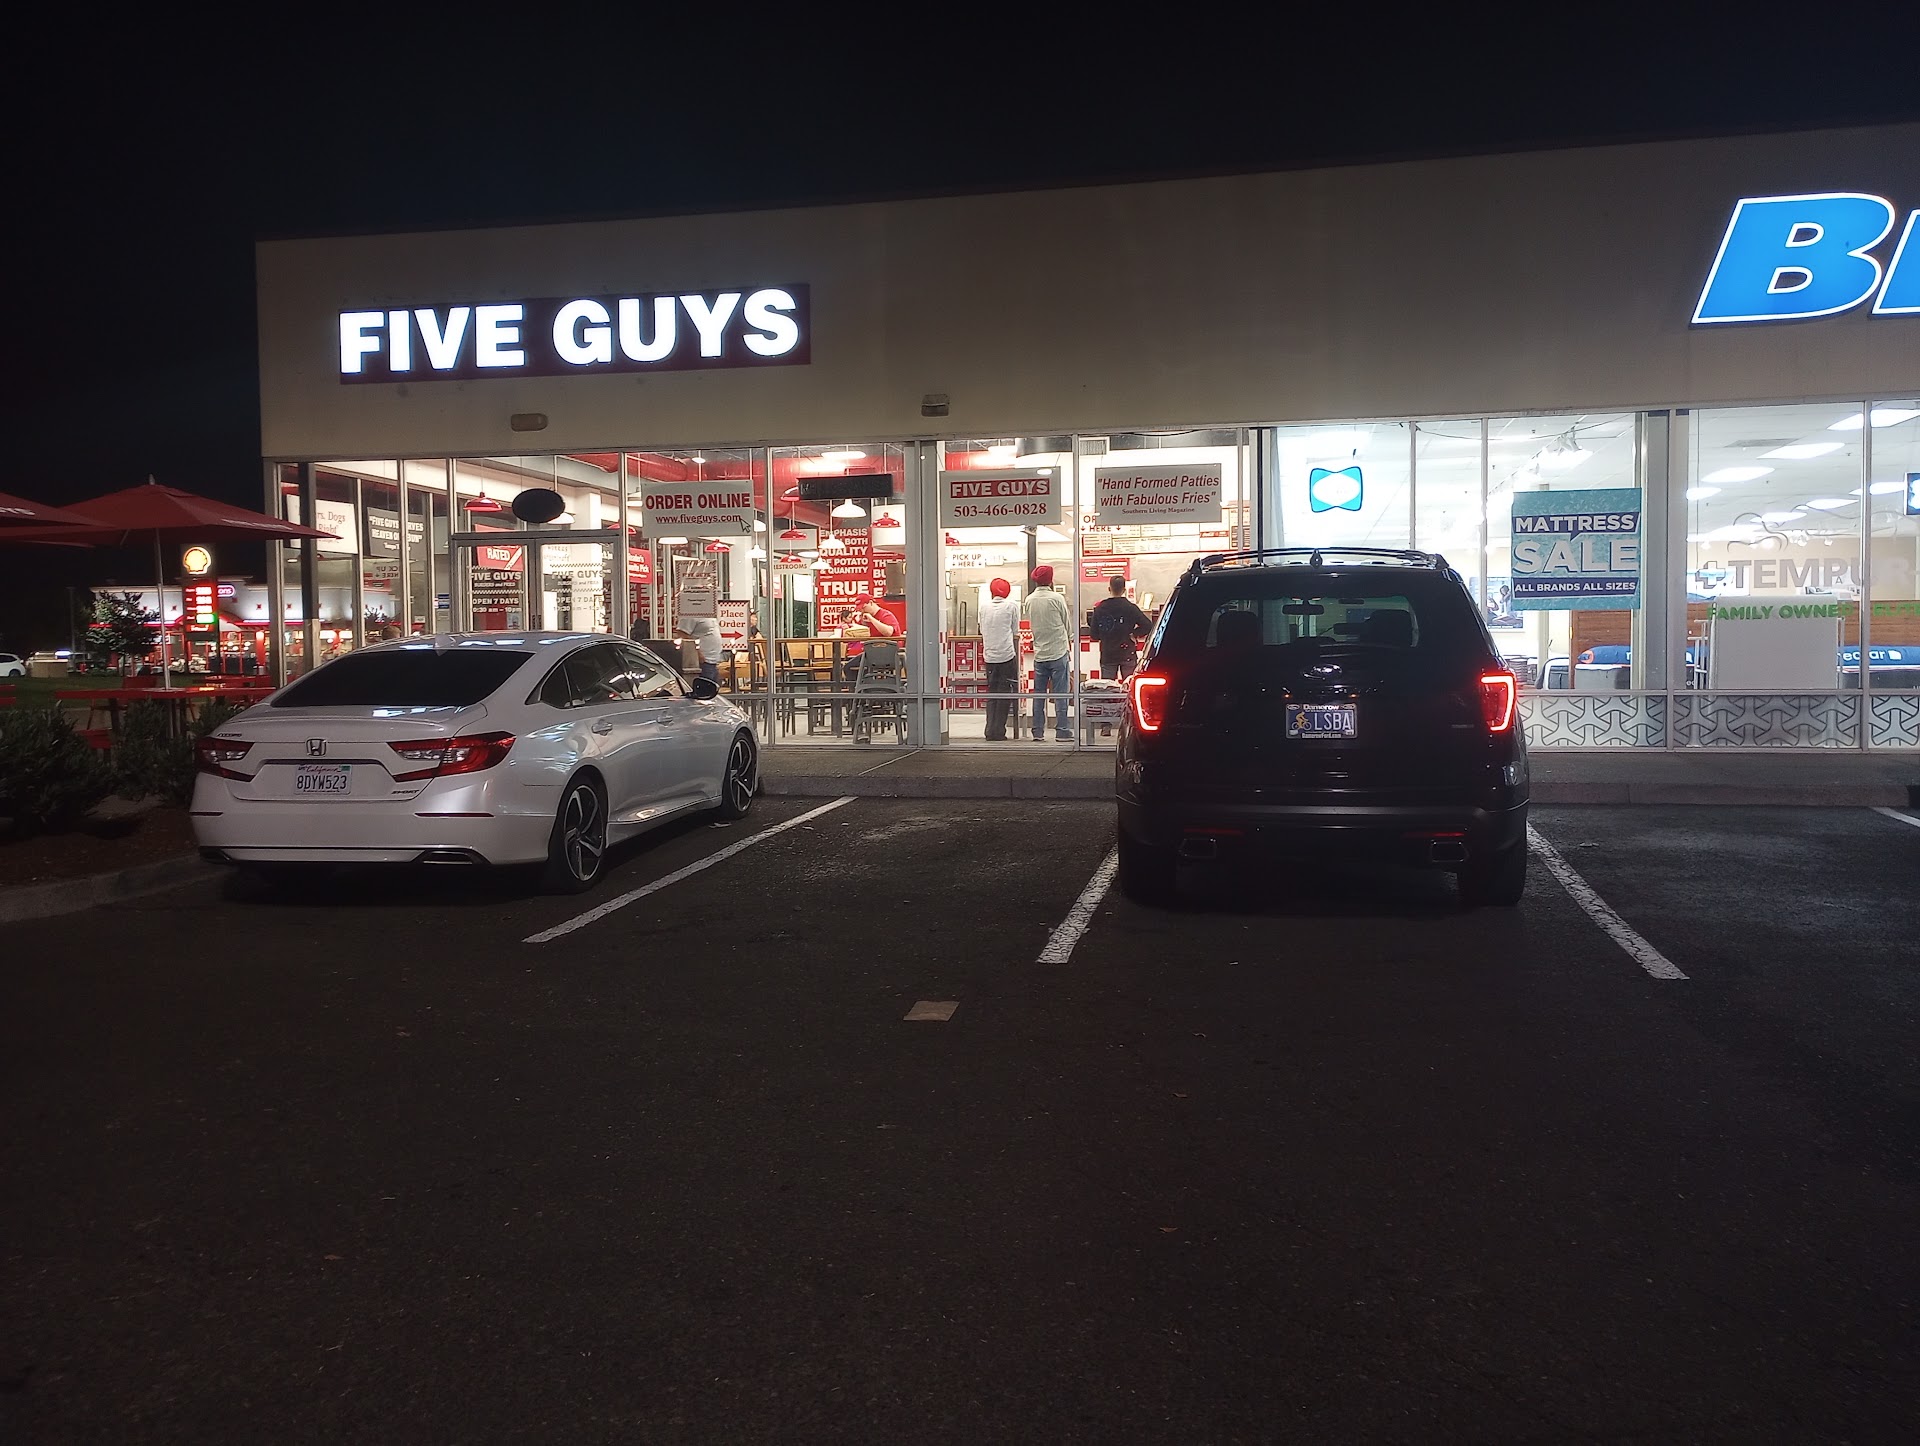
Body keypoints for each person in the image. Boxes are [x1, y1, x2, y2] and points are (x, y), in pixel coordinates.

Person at [1022, 564, 1073, 741]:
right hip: (1058, 651)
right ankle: (1062, 730)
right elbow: (1067, 624)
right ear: (1051, 580)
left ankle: (1037, 731)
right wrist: (1069, 641)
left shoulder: (1029, 600)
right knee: (1060, 694)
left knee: (1039, 694)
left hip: (1040, 653)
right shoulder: (1057, 598)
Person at [978, 576, 1021, 741]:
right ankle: (999, 731)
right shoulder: (1011, 606)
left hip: (989, 656)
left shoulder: (983, 608)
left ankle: (989, 730)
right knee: (1004, 694)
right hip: (1006, 655)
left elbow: (982, 630)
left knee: (992, 693)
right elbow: (1015, 631)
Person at [1087, 575, 1151, 681]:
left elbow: (1094, 634)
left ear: (1109, 589)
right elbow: (1148, 625)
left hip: (1108, 654)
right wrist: (1134, 634)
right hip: (1127, 653)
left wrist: (1105, 635)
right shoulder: (1131, 608)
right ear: (1124, 590)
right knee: (1129, 685)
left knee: (1107, 686)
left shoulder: (1100, 608)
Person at [674, 614, 723, 686]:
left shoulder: (710, 614)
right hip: (702, 662)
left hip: (713, 661)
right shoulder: (691, 615)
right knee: (704, 689)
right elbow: (682, 633)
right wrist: (696, 653)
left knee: (712, 689)